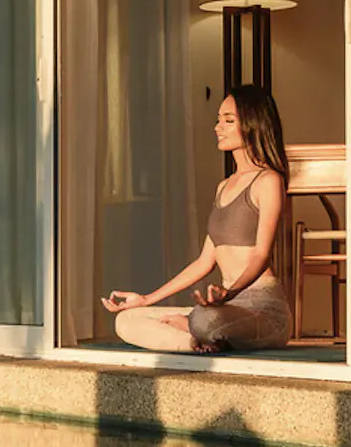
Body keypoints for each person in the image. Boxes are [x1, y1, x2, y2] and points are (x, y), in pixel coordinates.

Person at [101, 85, 292, 353]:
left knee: (205, 319)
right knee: (127, 319)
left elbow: (262, 254)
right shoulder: (223, 187)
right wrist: (146, 299)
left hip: (260, 308)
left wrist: (229, 294)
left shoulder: (268, 181)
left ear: (253, 124)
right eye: (218, 120)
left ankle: (197, 330)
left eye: (228, 120)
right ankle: (194, 343)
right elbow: (204, 262)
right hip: (224, 309)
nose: (218, 127)